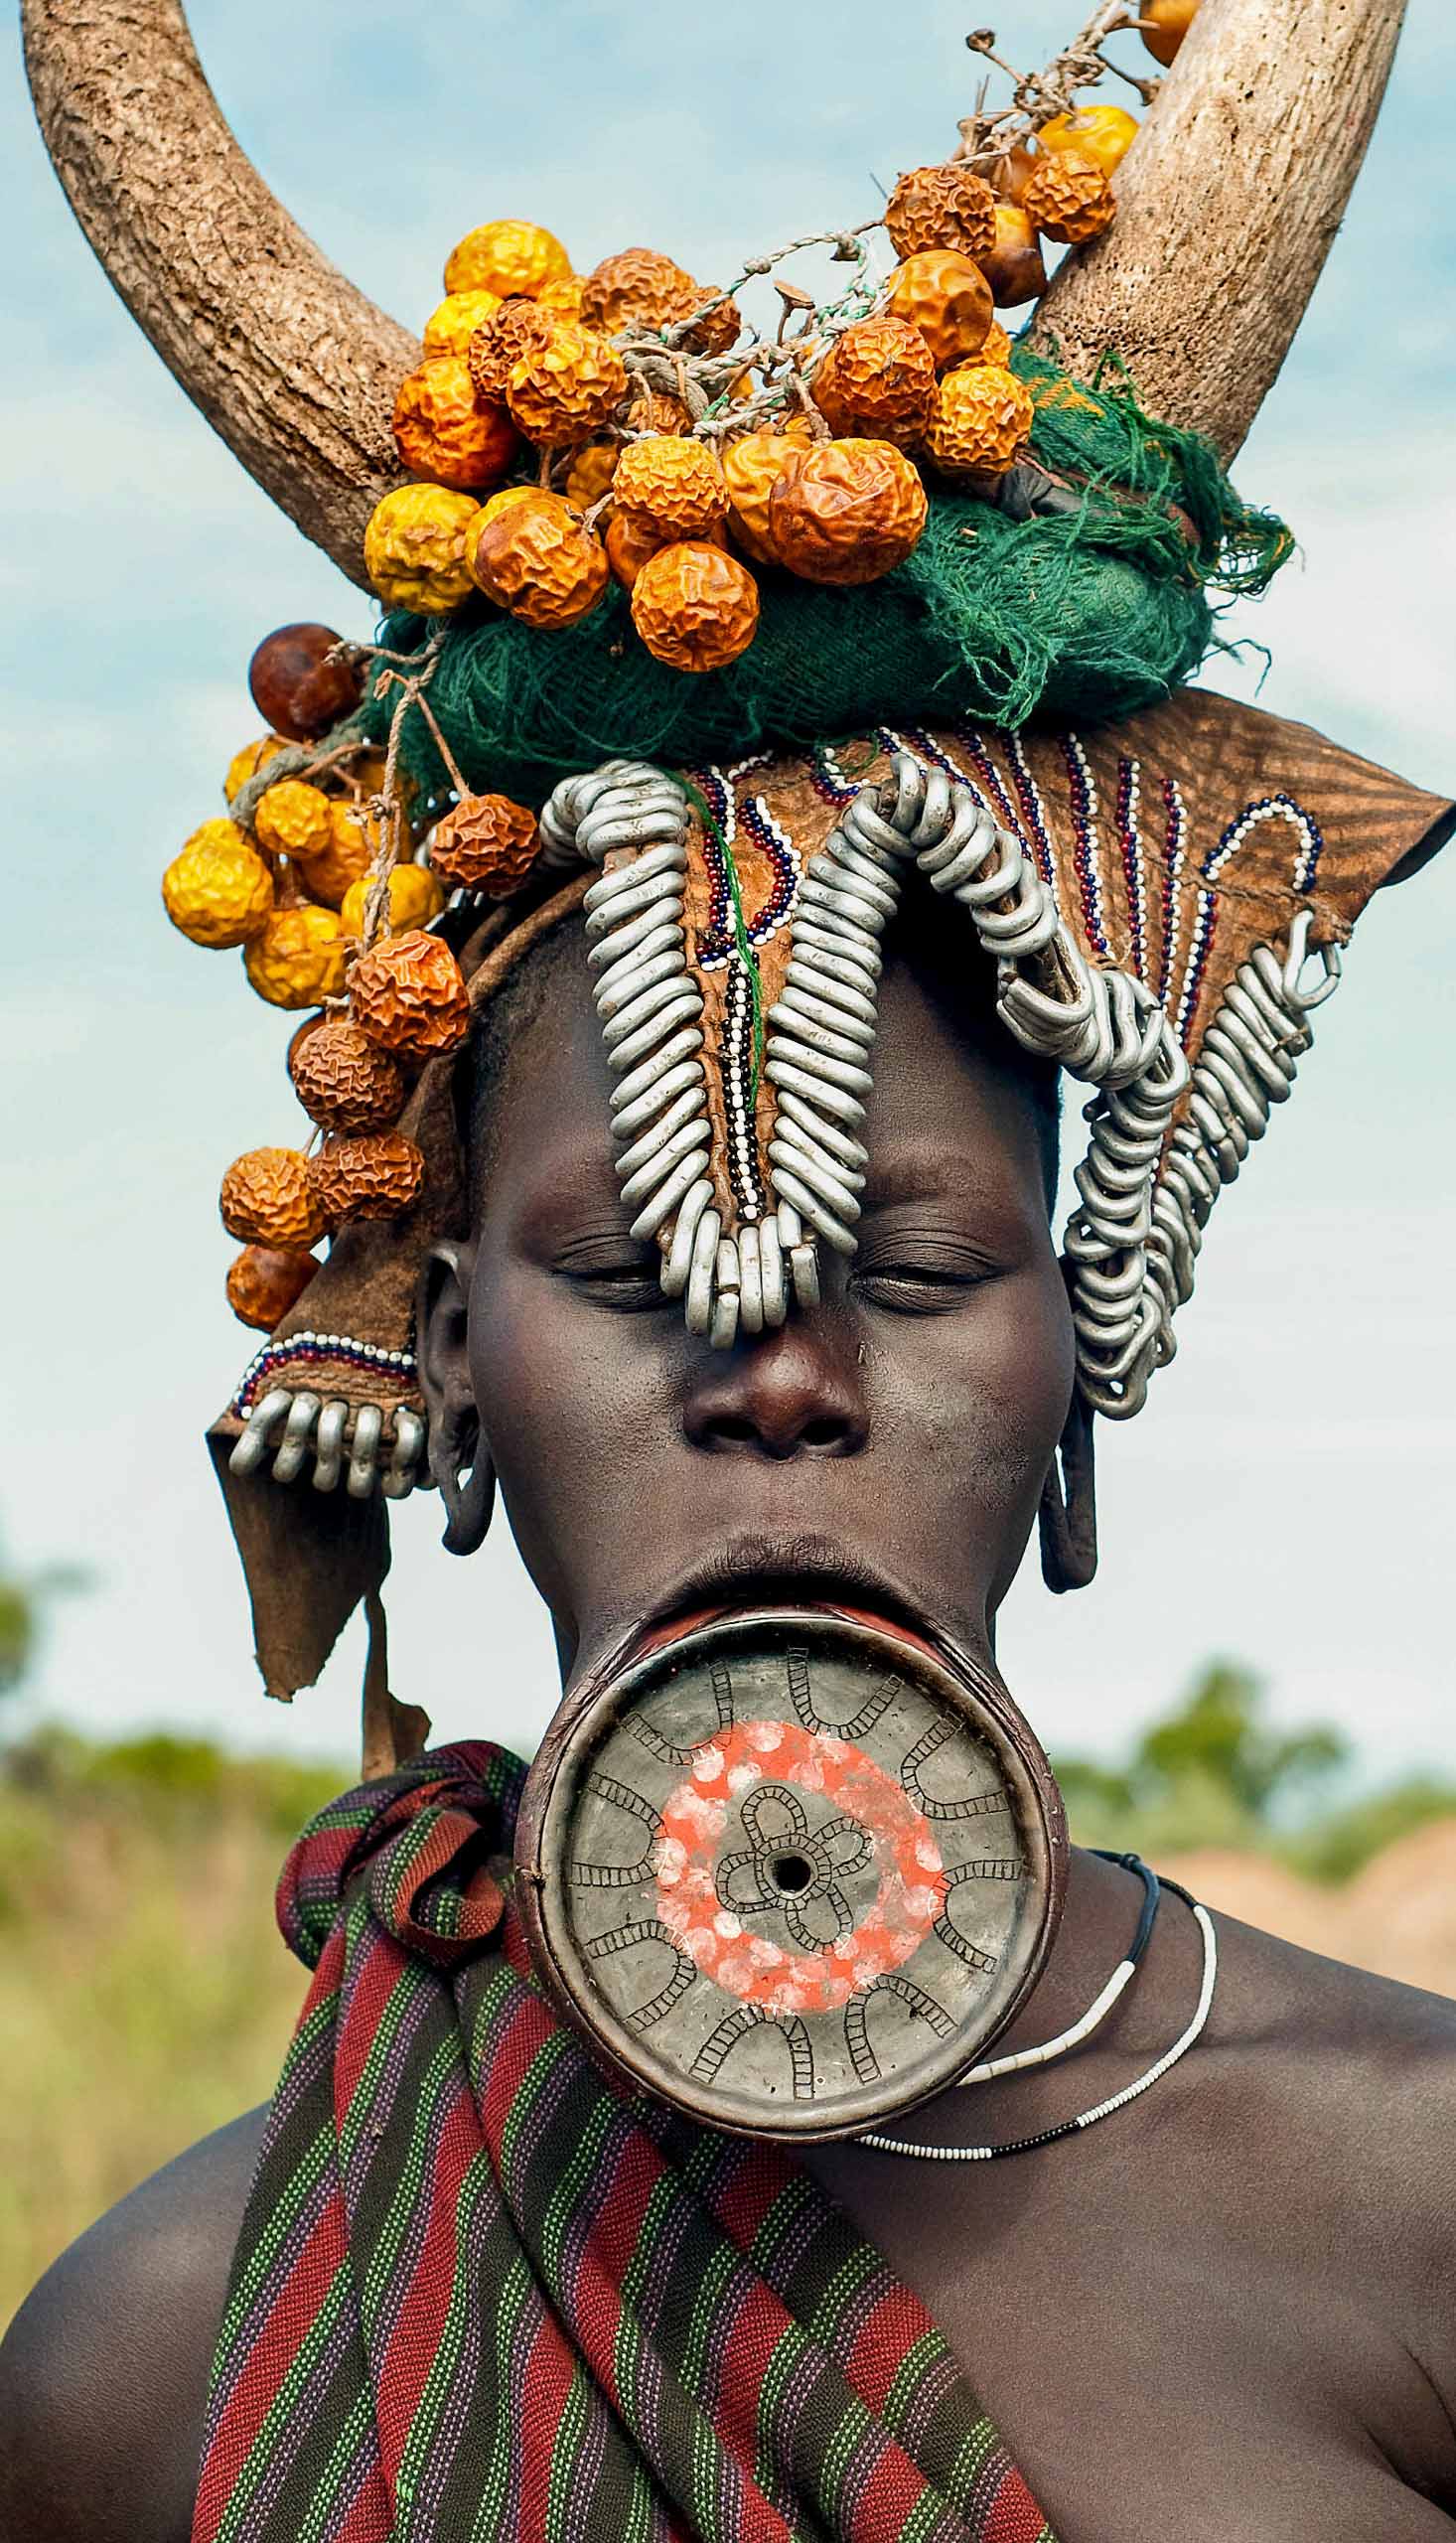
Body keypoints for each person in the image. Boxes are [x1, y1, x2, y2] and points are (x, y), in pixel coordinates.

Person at [4, 0, 1454, 2536]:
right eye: (637, 1271)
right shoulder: (152, 2355)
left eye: (899, 1268)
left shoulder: (1415, 2202)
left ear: (1078, 1373)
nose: (773, 1377)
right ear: (442, 1373)